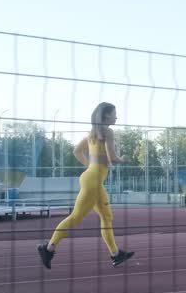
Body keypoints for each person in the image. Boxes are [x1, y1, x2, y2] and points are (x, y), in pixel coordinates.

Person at [37, 102, 134, 268]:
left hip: (92, 179)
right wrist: (123, 159)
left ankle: (115, 254)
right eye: (114, 113)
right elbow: (112, 158)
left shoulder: (92, 134)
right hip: (93, 181)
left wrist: (89, 165)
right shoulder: (108, 132)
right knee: (75, 217)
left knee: (106, 216)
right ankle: (48, 248)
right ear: (105, 116)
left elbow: (76, 151)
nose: (116, 116)